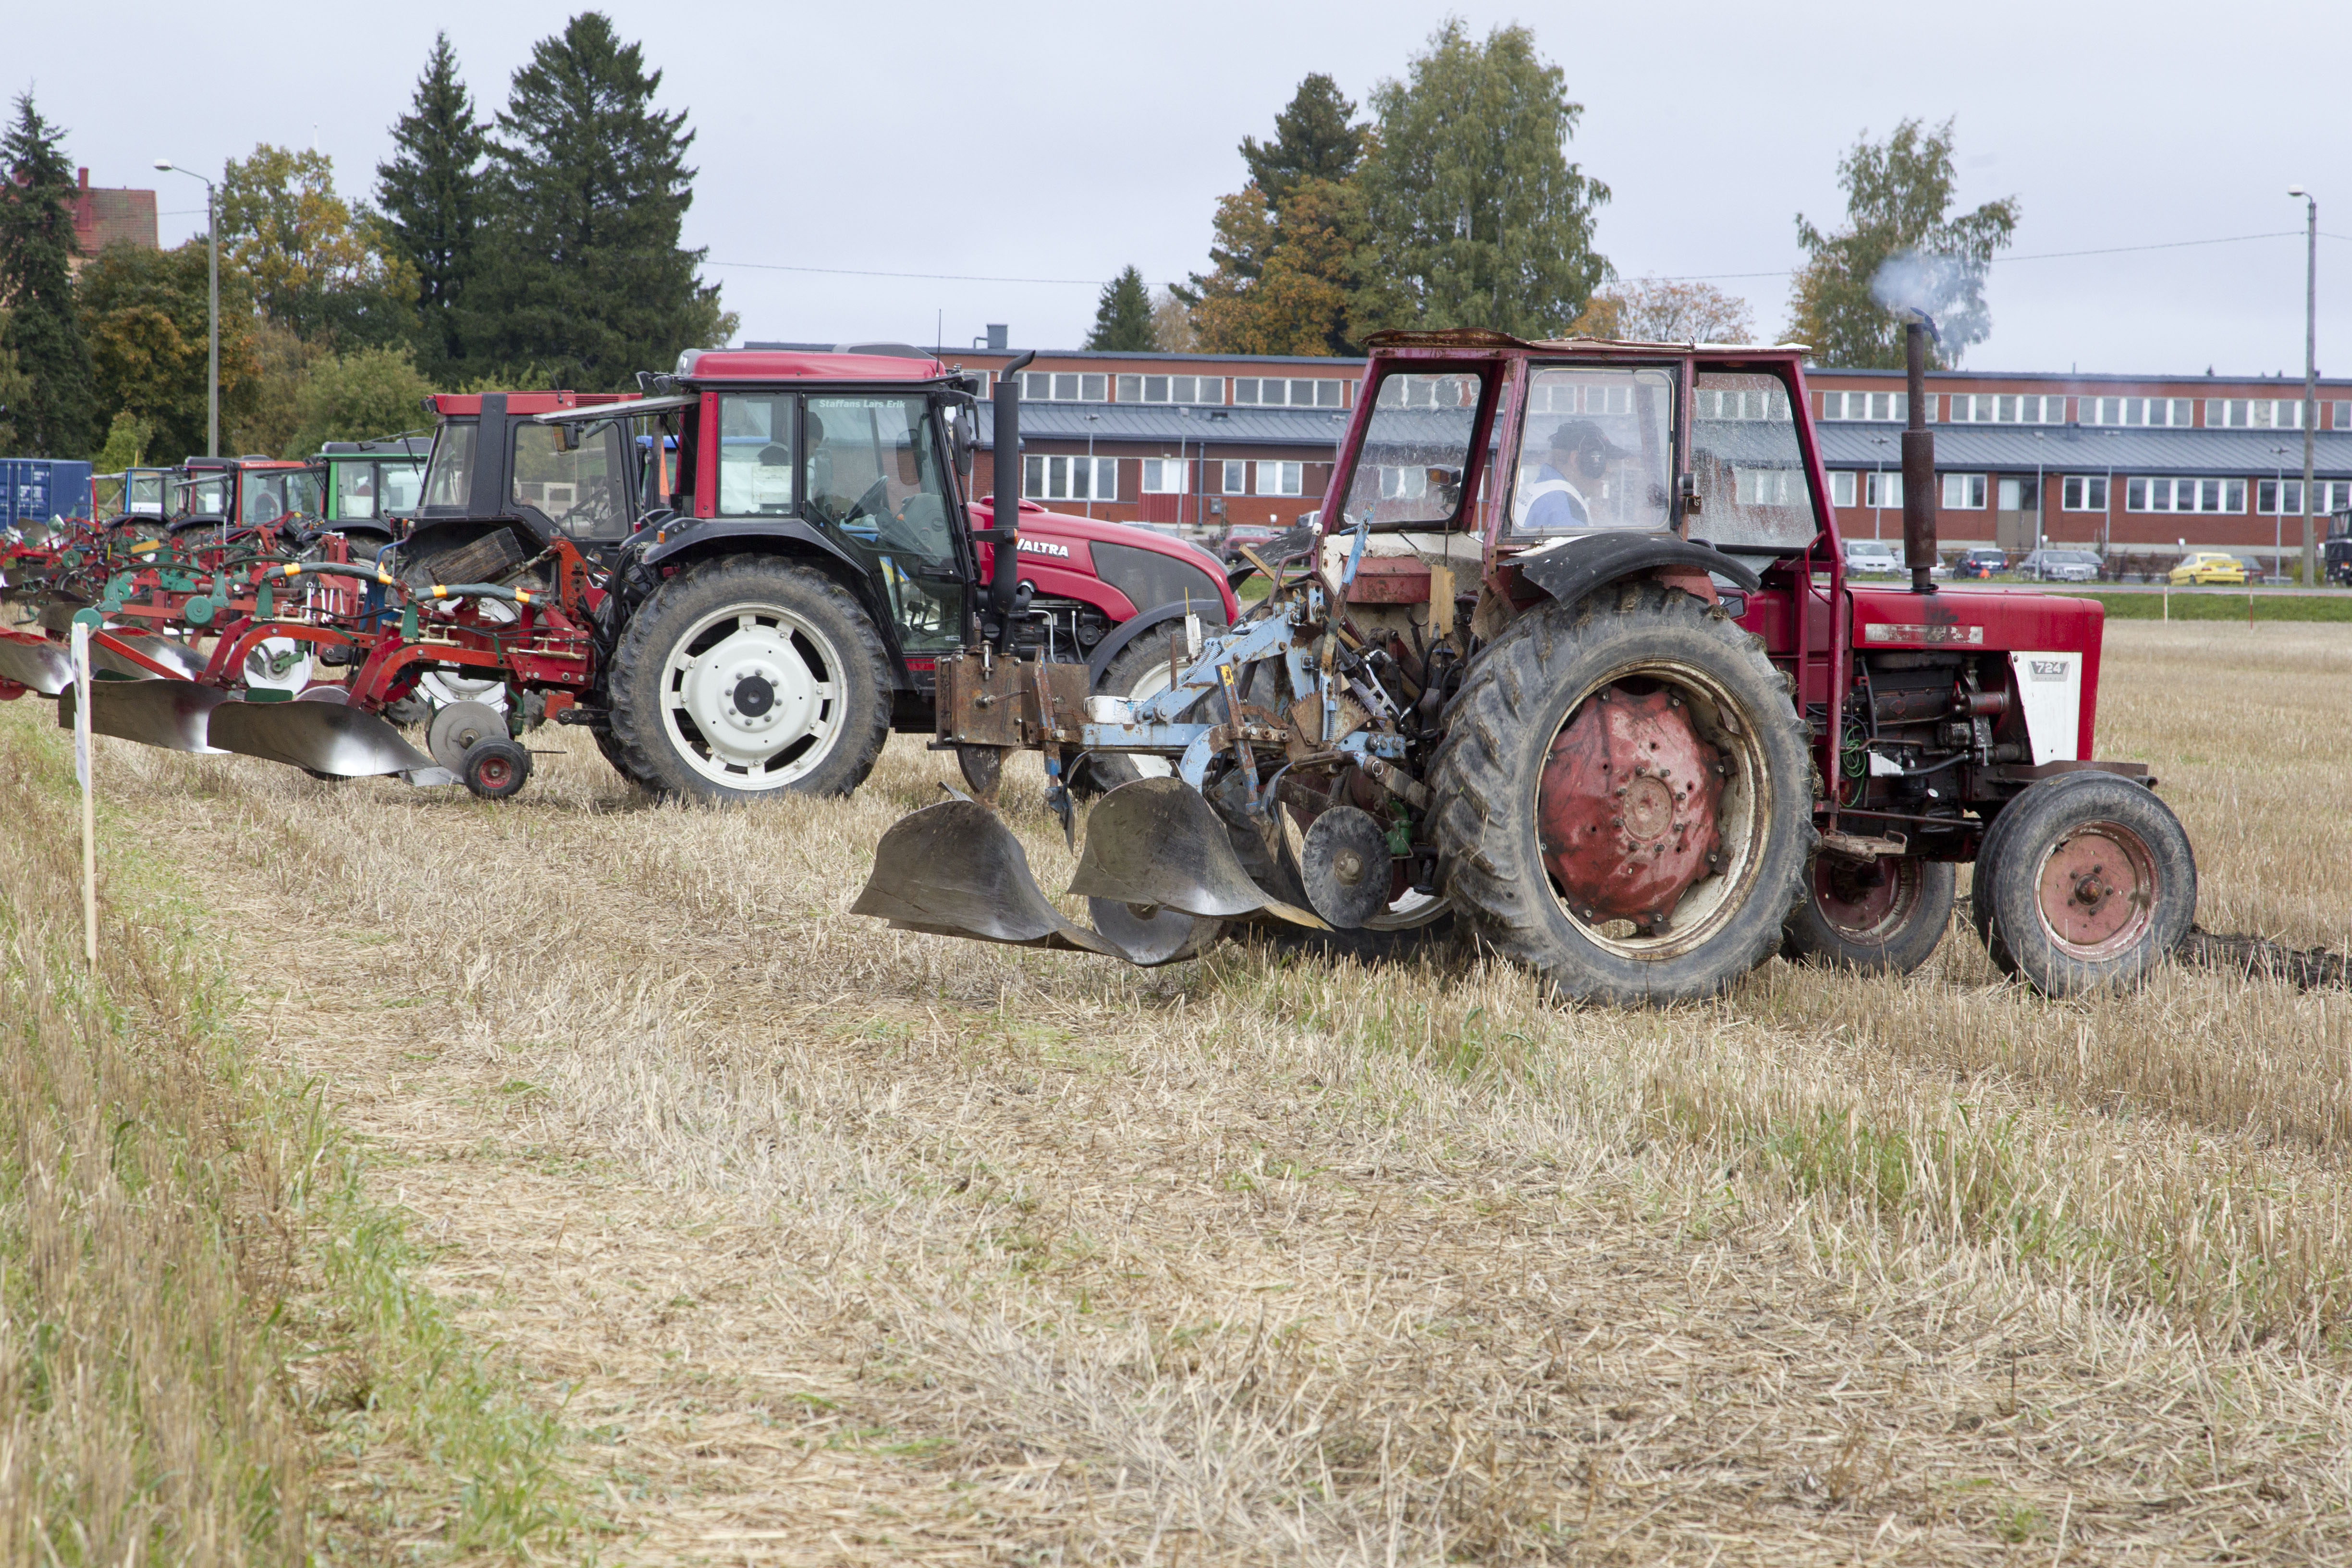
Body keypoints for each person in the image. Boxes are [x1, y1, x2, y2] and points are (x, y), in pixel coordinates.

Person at [1518, 422, 1613, 531]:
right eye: (1600, 460)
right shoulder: (1569, 507)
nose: (1608, 469)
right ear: (1576, 458)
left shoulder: (1538, 488)